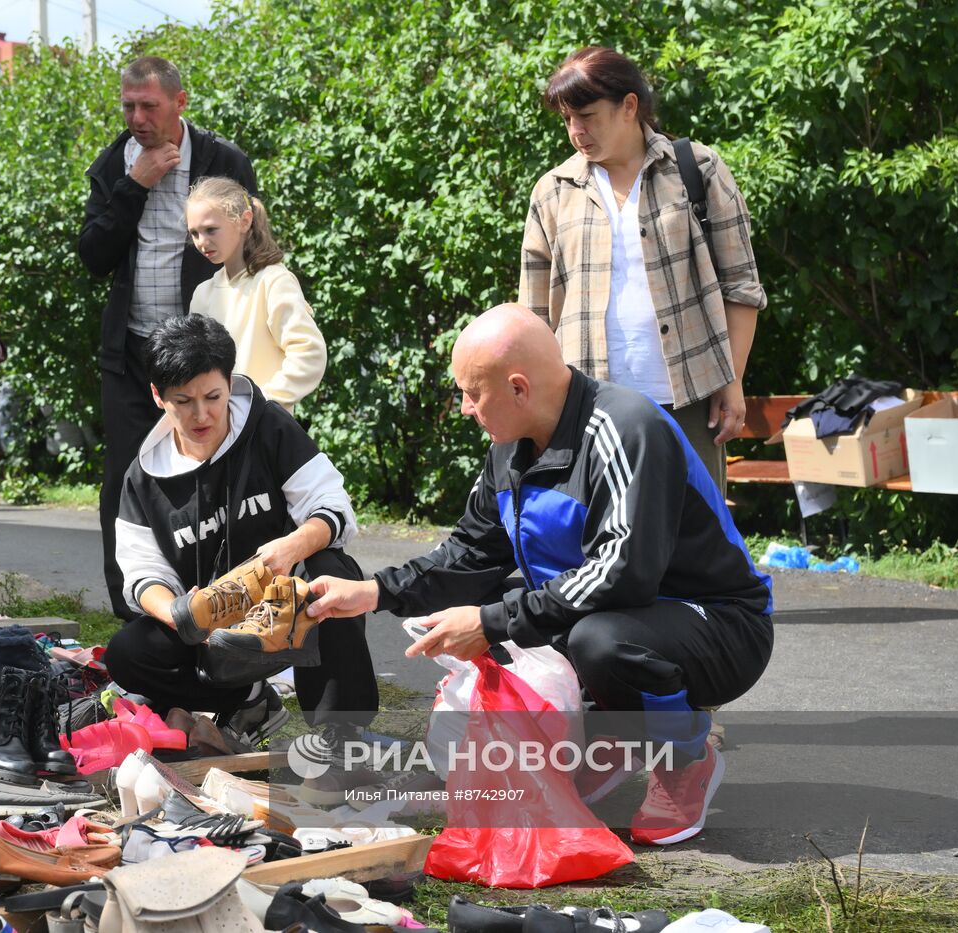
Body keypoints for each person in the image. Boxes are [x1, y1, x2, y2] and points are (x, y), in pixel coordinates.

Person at [307, 305, 774, 845]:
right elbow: (470, 554)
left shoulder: (626, 428)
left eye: (472, 393)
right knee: (514, 623)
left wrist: (491, 621)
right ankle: (608, 738)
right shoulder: (509, 448)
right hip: (616, 612)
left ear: (518, 388)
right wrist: (373, 592)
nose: (465, 408)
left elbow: (623, 573)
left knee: (595, 640)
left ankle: (685, 759)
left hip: (719, 624)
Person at [102, 314, 378, 757]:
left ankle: (341, 733)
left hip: (288, 611)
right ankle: (249, 701)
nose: (201, 414)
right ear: (157, 396)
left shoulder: (269, 427)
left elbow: (332, 506)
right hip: (211, 632)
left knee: (333, 570)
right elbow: (141, 572)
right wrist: (181, 614)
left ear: (229, 383)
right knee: (128, 652)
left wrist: (292, 546)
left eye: (213, 396)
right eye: (183, 401)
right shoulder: (143, 477)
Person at [519, 46, 766, 489]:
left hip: (690, 400)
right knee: (599, 528)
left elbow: (742, 286)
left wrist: (732, 381)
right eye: (567, 119)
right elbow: (533, 316)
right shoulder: (553, 191)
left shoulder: (696, 169)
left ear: (629, 106)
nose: (576, 131)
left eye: (587, 116)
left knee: (694, 528)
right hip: (587, 406)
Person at [78, 55, 258, 619]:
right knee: (125, 477)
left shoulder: (222, 160)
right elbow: (93, 256)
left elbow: (251, 247)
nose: (137, 118)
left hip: (204, 350)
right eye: (128, 106)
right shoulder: (113, 164)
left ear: (179, 103)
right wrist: (134, 186)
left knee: (219, 469)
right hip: (132, 352)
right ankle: (133, 607)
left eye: (149, 106)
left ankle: (223, 598)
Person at [186, 176, 326, 411]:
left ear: (244, 221)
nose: (202, 242)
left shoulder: (273, 281)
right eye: (194, 233)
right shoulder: (203, 293)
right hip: (216, 426)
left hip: (264, 426)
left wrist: (263, 401)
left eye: (211, 230)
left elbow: (309, 353)